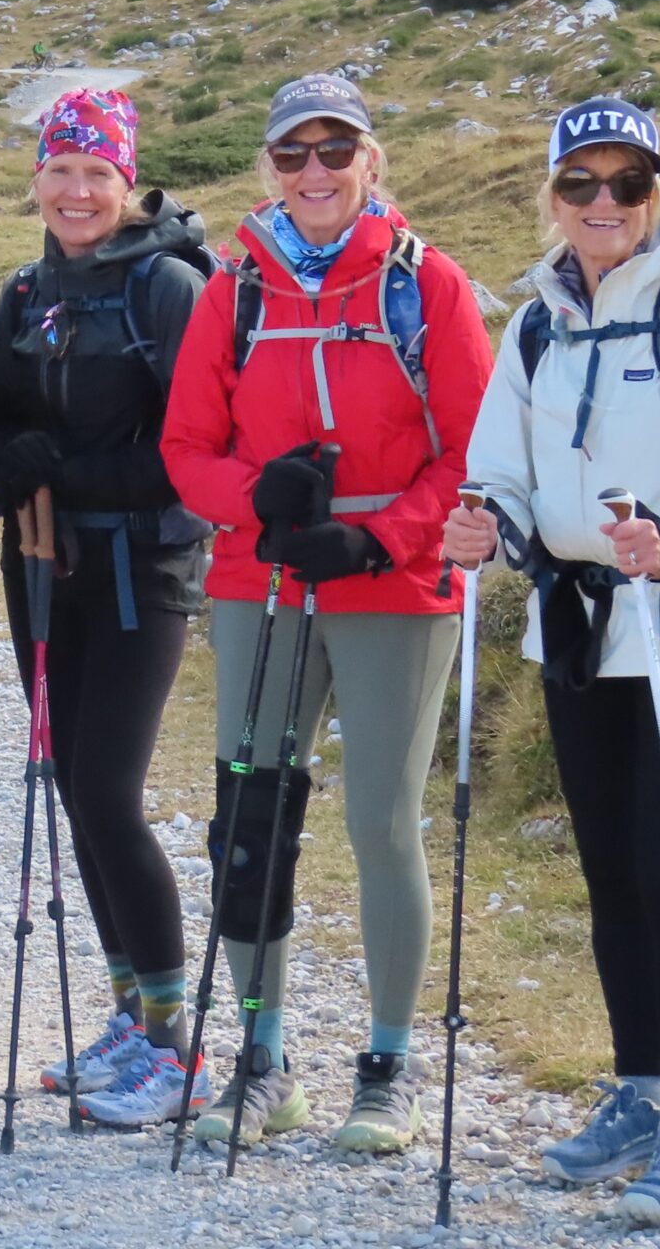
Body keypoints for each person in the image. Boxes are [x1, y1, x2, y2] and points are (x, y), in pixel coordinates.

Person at [444, 97, 660, 1231]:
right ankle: (638, 1091)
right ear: (550, 196)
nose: (603, 203)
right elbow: (500, 467)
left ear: (655, 193)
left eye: (626, 183)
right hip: (580, 626)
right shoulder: (538, 326)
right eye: (579, 183)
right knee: (608, 869)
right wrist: (484, 519)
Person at [162, 73, 492, 1154]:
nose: (314, 171)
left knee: (381, 823)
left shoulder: (425, 284)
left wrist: (380, 535)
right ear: (268, 168)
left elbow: (473, 449)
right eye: (292, 154)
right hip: (262, 577)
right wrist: (254, 495)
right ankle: (262, 1061)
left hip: (394, 579)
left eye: (334, 150)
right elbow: (185, 450)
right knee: (249, 818)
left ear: (369, 162)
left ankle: (388, 1065)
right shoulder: (234, 290)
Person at [0, 90, 216, 1126]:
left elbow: (196, 446)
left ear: (128, 183)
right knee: (74, 789)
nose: (77, 192)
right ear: (38, 179)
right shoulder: (30, 291)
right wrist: (4, 458)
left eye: (97, 174)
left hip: (141, 569)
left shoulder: (169, 287)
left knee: (110, 793)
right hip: (48, 567)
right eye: (61, 171)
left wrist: (64, 470)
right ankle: (132, 1016)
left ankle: (176, 1048)